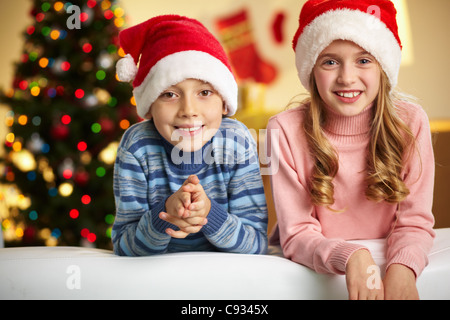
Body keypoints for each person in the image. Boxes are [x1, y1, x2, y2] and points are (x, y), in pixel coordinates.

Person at [266, 0, 435, 300]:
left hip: (387, 257)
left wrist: (402, 269)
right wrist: (352, 255)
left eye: (364, 60)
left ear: (383, 66)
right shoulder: (284, 130)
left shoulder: (411, 122)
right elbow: (296, 235)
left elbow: (415, 221)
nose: (346, 77)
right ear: (311, 70)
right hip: (316, 266)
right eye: (330, 61)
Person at [112, 15, 268, 256]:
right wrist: (164, 215)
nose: (188, 110)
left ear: (224, 103)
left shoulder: (237, 141)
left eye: (204, 92)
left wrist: (209, 214)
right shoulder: (137, 146)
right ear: (149, 105)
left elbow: (256, 243)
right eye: (169, 95)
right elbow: (124, 245)